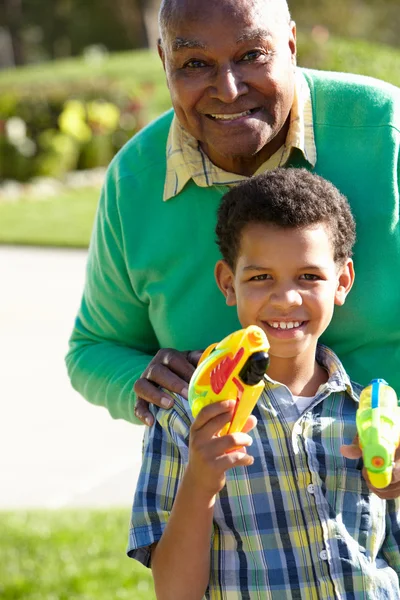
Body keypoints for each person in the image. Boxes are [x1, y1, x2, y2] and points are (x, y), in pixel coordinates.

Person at [65, 0, 400, 496]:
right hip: (237, 531)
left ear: (289, 45)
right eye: (195, 63)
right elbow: (92, 349)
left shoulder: (387, 130)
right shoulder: (133, 181)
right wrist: (143, 380)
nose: (228, 88)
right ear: (163, 61)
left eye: (251, 55)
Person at [127, 168, 400, 599]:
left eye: (309, 276)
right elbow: (174, 593)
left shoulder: (373, 414)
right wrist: (201, 480)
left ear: (342, 281)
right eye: (260, 277)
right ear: (227, 282)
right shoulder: (183, 414)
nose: (286, 298)